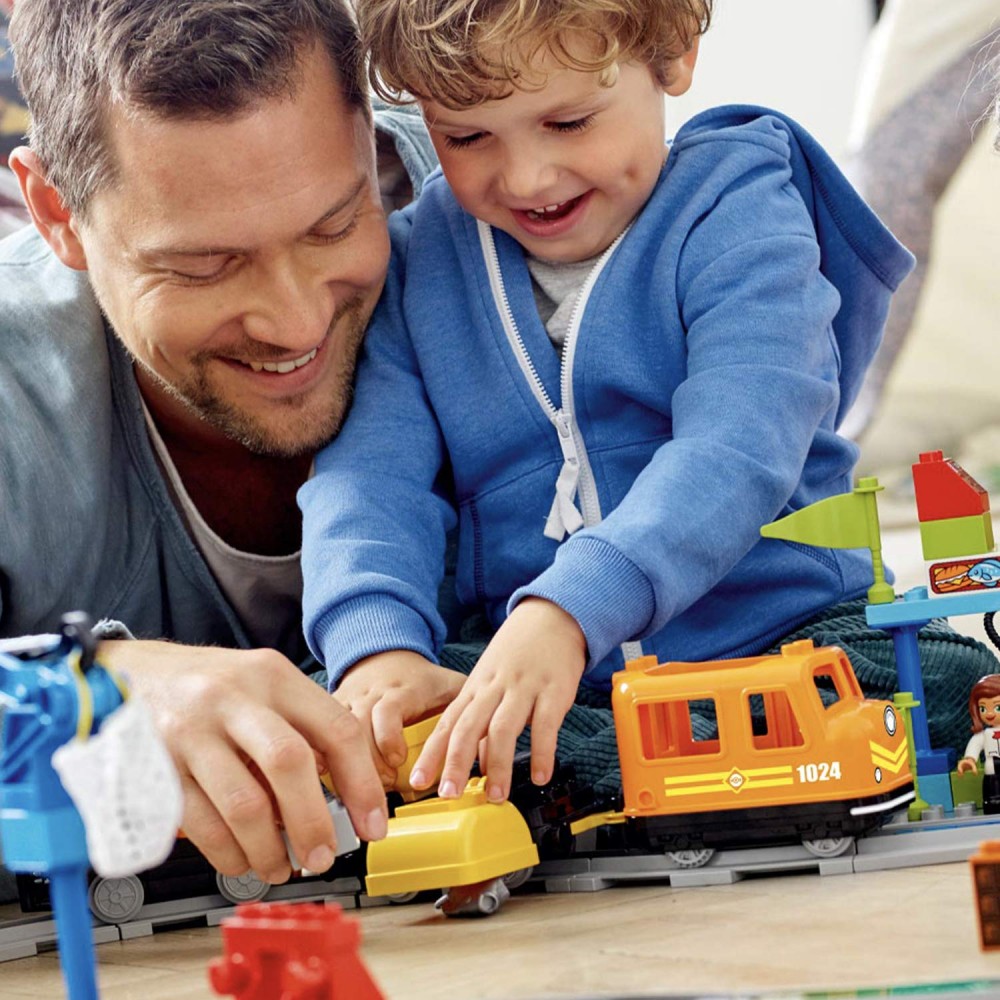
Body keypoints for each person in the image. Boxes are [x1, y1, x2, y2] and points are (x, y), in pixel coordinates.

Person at [299, 0, 927, 807]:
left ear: (673, 52)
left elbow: (739, 446)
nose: (527, 178)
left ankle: (586, 786)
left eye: (567, 123)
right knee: (331, 712)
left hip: (786, 636)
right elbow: (367, 481)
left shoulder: (741, 207)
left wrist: (572, 608)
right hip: (542, 671)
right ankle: (571, 778)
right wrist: (374, 650)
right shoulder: (420, 262)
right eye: (468, 137)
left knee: (940, 683)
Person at [0, 0, 458, 891]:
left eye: (335, 224)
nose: (295, 321)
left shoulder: (517, 206)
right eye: (204, 266)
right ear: (56, 212)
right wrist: (87, 694)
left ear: (370, 138)